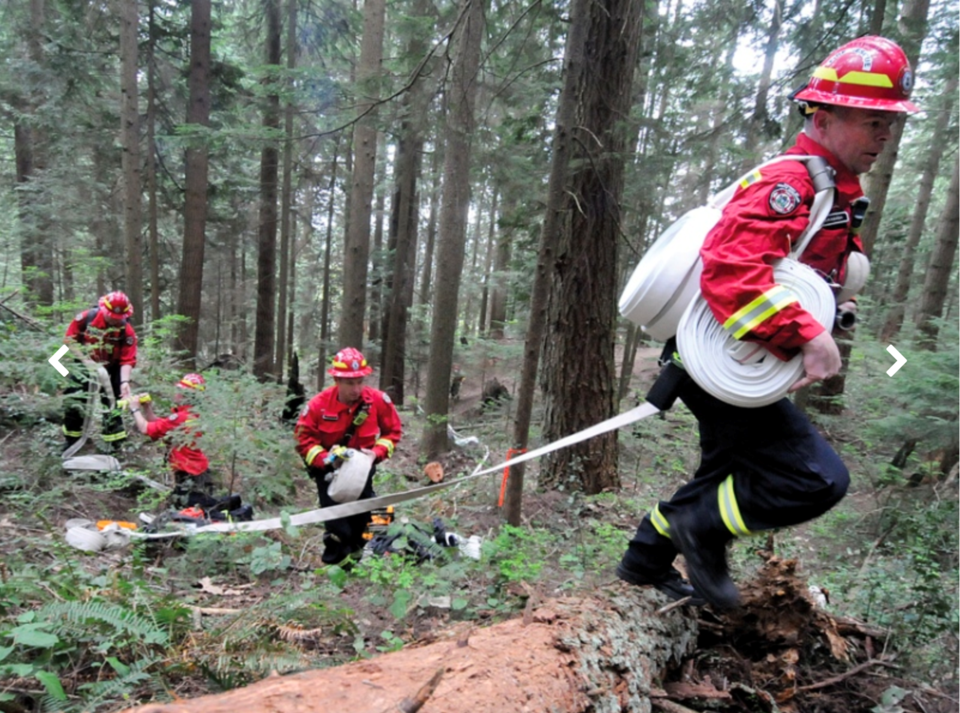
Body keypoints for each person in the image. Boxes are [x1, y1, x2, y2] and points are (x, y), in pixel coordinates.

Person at [617, 37, 919, 610]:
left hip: (726, 358)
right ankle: (699, 531)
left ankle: (644, 560)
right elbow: (730, 271)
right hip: (719, 358)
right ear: (824, 118)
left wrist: (831, 312)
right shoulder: (793, 184)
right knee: (815, 479)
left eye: (891, 123)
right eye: (872, 119)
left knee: (729, 469)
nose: (884, 134)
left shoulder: (831, 189)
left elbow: (792, 271)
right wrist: (804, 333)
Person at [295, 347, 402, 565]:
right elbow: (303, 439)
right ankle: (338, 566)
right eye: (349, 383)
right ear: (336, 379)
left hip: (362, 470)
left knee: (370, 516)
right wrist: (326, 459)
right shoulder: (318, 405)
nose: (356, 389)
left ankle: (366, 557)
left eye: (359, 381)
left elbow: (393, 433)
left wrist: (376, 454)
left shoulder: (378, 401)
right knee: (338, 525)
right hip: (329, 473)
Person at [62, 291, 138, 452]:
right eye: (112, 318)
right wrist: (85, 360)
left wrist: (125, 381)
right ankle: (72, 439)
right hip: (85, 363)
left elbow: (128, 359)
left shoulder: (127, 331)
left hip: (113, 367)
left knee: (114, 401)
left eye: (119, 319)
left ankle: (114, 441)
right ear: (104, 310)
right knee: (75, 397)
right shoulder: (86, 319)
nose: (116, 321)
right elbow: (70, 340)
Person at [127, 373, 213, 506]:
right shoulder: (189, 414)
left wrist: (134, 409)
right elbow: (161, 426)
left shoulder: (181, 418)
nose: (176, 394)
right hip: (197, 472)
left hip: (191, 475)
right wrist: (147, 409)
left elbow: (146, 429)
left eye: (180, 391)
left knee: (186, 515)